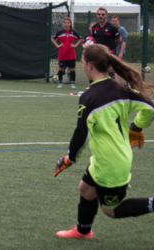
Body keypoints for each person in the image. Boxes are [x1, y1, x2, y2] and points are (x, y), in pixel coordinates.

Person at [53, 44, 154, 239]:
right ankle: (83, 231)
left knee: (111, 210)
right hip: (106, 159)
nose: (82, 64)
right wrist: (137, 127)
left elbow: (80, 134)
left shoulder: (89, 97)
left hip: (111, 164)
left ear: (90, 65)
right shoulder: (121, 88)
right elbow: (150, 108)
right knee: (85, 189)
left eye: (82, 61)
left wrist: (69, 158)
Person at [51, 17, 82, 89]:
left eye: (68, 22)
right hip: (62, 55)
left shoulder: (73, 32)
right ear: (63, 24)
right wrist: (57, 45)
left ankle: (72, 83)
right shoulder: (60, 32)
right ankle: (60, 83)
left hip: (71, 55)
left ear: (70, 24)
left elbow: (80, 39)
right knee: (61, 69)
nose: (66, 24)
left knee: (72, 69)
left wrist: (75, 45)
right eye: (65, 22)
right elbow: (52, 39)